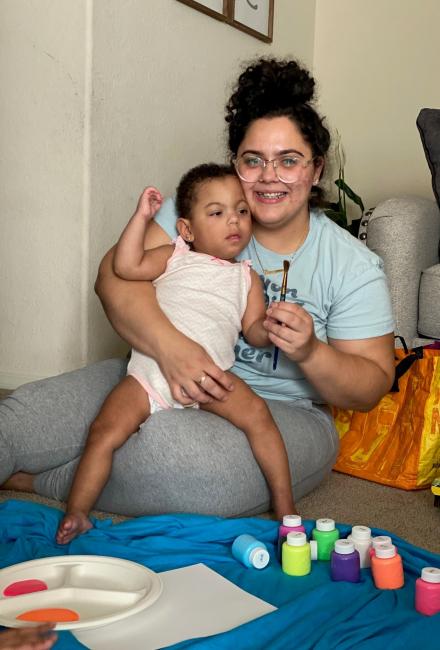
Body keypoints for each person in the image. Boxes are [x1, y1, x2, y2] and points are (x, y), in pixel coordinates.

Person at [0, 57, 395, 518]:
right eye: (253, 161)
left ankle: (41, 481)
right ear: (234, 165)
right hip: (153, 369)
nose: (269, 177)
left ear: (316, 169)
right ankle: (67, 458)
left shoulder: (352, 264)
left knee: (186, 461)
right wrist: (174, 351)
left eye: (289, 161)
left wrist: (309, 351)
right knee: (25, 418)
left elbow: (370, 385)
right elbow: (113, 278)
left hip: (282, 410)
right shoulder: (195, 214)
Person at [56, 164, 296, 543]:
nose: (233, 221)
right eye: (216, 213)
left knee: (259, 416)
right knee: (104, 431)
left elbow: (251, 331)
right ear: (187, 229)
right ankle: (78, 512)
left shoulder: (246, 277)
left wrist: (271, 328)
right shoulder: (174, 254)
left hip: (211, 378)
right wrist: (141, 218)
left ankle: (287, 512)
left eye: (241, 211)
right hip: (151, 375)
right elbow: (126, 265)